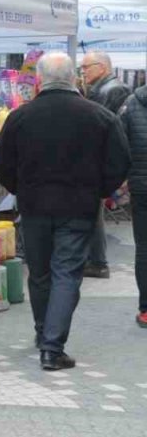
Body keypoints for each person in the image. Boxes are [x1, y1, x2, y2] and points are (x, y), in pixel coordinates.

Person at [0, 53, 130, 371]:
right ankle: (52, 347)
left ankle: (44, 335)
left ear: (40, 79)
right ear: (74, 78)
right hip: (79, 207)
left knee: (39, 274)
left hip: (34, 206)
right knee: (67, 273)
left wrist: (20, 188)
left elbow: (1, 163)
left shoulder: (20, 117)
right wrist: (98, 190)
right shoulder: (99, 116)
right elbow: (119, 162)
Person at [81, 51, 131, 279]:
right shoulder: (104, 88)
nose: (83, 72)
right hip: (101, 159)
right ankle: (95, 259)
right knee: (93, 211)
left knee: (93, 211)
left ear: (101, 67)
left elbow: (98, 126)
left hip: (100, 160)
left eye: (86, 67)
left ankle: (97, 261)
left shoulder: (111, 89)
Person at [121, 83, 147, 328]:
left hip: (142, 187)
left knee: (145, 248)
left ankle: (146, 310)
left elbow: (120, 145)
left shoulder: (131, 103)